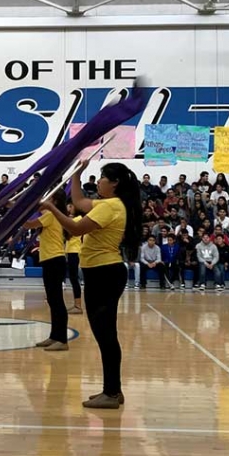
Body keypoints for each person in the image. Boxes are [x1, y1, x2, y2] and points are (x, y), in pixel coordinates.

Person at [42, 161, 142, 410]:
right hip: (103, 273)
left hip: (104, 274)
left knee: (106, 335)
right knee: (106, 334)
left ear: (114, 183)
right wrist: (77, 172)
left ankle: (111, 392)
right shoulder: (109, 204)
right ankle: (113, 390)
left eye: (101, 178)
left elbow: (75, 228)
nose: (97, 182)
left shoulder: (111, 207)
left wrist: (51, 209)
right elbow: (79, 202)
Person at [25, 190, 70, 352]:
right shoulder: (51, 214)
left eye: (49, 197)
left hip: (55, 260)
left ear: (55, 202)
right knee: (52, 300)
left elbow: (29, 224)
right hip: (51, 260)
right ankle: (54, 336)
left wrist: (17, 215)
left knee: (57, 300)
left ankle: (62, 339)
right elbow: (37, 207)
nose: (45, 200)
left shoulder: (51, 215)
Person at [65, 203, 83, 315]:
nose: (69, 208)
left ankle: (78, 305)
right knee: (72, 278)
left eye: (71, 206)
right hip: (70, 251)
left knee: (74, 278)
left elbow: (68, 234)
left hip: (74, 251)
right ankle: (77, 304)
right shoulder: (73, 219)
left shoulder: (78, 219)